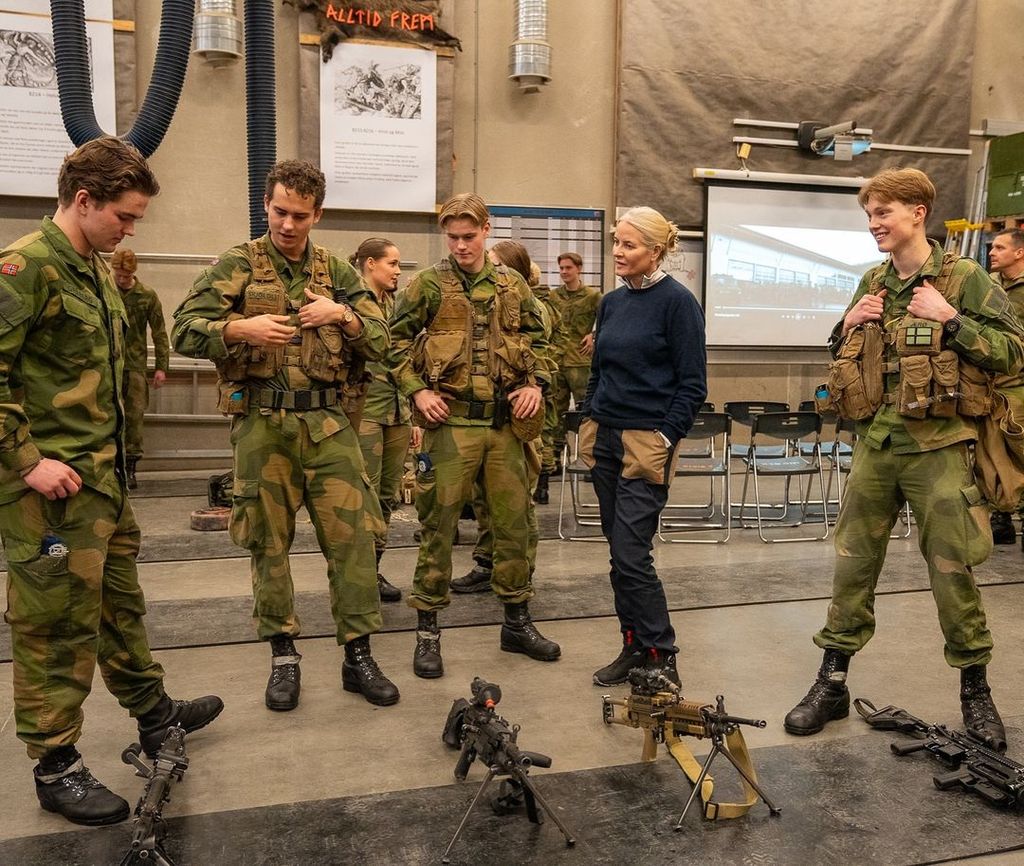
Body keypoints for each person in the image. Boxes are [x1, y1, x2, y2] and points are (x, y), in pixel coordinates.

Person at [0, 137, 223, 827]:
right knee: (56, 624)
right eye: (123, 217)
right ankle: (55, 763)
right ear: (85, 200)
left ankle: (152, 714)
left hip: (100, 480)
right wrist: (26, 460)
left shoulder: (92, 268)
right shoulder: (24, 268)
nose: (129, 231)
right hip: (49, 490)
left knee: (120, 606)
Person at [784, 168, 1024, 752]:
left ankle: (975, 690)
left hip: (939, 449)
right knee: (852, 566)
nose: (874, 225)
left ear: (918, 212)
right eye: (870, 215)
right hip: (876, 445)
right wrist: (848, 322)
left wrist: (953, 320)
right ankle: (832, 681)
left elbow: (1013, 349)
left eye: (884, 213)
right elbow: (843, 348)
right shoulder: (873, 280)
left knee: (952, 571)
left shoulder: (964, 278)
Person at [171, 159, 399, 711]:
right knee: (267, 544)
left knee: (355, 541)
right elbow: (181, 328)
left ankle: (358, 655)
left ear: (316, 214)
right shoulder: (238, 265)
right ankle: (284, 655)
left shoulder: (338, 272)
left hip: (328, 425)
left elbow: (382, 339)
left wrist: (342, 315)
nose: (287, 224)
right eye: (279, 212)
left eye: (299, 215)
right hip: (262, 427)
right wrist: (235, 328)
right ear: (267, 206)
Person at [389, 193, 560, 677]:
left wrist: (535, 382)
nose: (461, 245)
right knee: (438, 527)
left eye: (469, 236)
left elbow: (540, 339)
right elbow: (393, 342)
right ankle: (427, 630)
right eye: (453, 237)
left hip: (505, 428)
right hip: (451, 425)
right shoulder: (427, 285)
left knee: (514, 525)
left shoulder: (513, 285)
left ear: (487, 230)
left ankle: (516, 621)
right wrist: (418, 391)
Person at [581, 207, 707, 689]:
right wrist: (590, 414)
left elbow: (693, 385)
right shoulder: (611, 302)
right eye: (616, 241)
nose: (618, 251)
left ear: (656, 251)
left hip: (645, 442)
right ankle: (633, 645)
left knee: (633, 554)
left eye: (629, 245)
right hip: (605, 437)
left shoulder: (678, 303)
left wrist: (665, 436)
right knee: (619, 552)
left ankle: (662, 653)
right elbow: (598, 367)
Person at [452, 241, 551, 593]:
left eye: (495, 264)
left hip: (517, 420)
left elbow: (539, 353)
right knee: (483, 499)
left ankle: (521, 570)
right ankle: (487, 561)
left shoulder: (530, 306)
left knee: (517, 504)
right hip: (484, 418)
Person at [350, 237, 418, 602]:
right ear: (370, 263)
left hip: (397, 410)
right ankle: (357, 574)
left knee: (388, 496)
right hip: (365, 411)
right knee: (364, 495)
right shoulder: (351, 302)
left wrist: (415, 416)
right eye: (392, 263)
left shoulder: (396, 305)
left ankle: (373, 569)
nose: (397, 271)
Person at [539, 252, 601, 505]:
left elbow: (608, 319)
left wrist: (595, 334)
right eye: (561, 268)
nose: (564, 272)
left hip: (581, 363)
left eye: (568, 268)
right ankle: (552, 462)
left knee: (587, 414)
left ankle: (589, 459)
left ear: (578, 269)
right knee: (555, 415)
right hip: (558, 363)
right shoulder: (554, 297)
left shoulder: (593, 296)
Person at [110, 247, 170, 489]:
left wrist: (161, 367)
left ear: (133, 273)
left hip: (134, 366)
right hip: (106, 364)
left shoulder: (146, 295)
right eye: (118, 274)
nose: (121, 279)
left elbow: (159, 333)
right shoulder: (105, 290)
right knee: (107, 415)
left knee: (134, 417)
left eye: (125, 275)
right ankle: (110, 466)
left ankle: (130, 468)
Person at [985, 228, 1024, 545]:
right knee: (995, 455)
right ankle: (1002, 518)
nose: (992, 252)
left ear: (1019, 252)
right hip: (993, 385)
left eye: (1000, 247)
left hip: (1020, 386)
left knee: (1021, 451)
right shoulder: (990, 287)